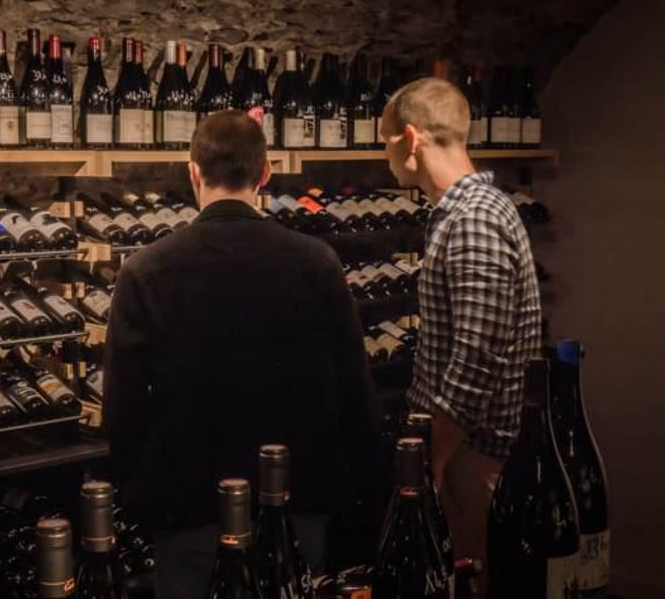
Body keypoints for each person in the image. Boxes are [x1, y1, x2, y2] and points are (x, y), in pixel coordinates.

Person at [104, 110, 381, 599]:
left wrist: (143, 494)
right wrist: (352, 493)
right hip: (296, 502)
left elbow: (122, 408)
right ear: (265, 172)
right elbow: (354, 392)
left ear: (193, 171)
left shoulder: (145, 270)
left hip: (189, 507)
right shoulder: (318, 262)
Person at [379, 78, 542, 597]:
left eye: (385, 142)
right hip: (467, 448)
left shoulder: (473, 219)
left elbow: (477, 354)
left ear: (411, 138)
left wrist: (435, 456)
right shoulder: (471, 211)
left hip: (473, 454)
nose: (385, 157)